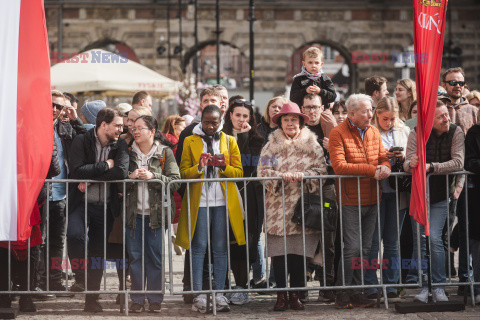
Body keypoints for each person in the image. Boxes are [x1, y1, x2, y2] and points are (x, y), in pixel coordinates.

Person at [258, 102, 328, 312]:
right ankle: (280, 295)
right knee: (279, 255)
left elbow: (322, 172)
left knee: (299, 254)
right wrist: (281, 177)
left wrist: (304, 177)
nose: (290, 123)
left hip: (302, 208)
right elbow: (262, 172)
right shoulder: (270, 146)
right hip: (276, 207)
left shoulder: (313, 145)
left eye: (294, 119)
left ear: (300, 122)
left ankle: (296, 295)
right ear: (280, 123)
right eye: (286, 119)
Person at [176, 105, 245, 313]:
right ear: (201, 120)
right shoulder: (190, 140)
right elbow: (183, 173)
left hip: (222, 202)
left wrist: (223, 166)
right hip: (200, 201)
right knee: (198, 248)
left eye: (214, 122)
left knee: (221, 249)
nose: (210, 126)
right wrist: (199, 167)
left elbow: (239, 172)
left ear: (221, 121)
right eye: (206, 122)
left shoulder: (229, 140)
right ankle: (198, 295)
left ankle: (221, 295)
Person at [329, 94, 391, 309]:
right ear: (352, 113)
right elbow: (340, 166)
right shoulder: (338, 132)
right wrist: (372, 170)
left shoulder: (373, 131)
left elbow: (382, 157)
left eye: (371, 109)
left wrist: (386, 167)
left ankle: (357, 291)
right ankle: (342, 291)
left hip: (373, 198)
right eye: (365, 110)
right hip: (350, 199)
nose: (370, 114)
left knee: (365, 249)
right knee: (352, 248)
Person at [67, 108, 129, 312]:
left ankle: (91, 299)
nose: (122, 129)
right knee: (74, 235)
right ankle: (81, 277)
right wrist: (105, 165)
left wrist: (91, 179)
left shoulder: (120, 144)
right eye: (118, 125)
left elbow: (121, 171)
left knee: (98, 253)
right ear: (104, 125)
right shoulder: (81, 140)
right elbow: (77, 171)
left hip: (105, 207)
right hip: (80, 203)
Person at [403, 100, 464, 303]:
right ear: (429, 121)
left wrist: (432, 167)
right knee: (421, 242)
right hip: (419, 195)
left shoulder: (456, 132)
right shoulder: (416, 133)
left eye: (447, 114)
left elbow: (458, 162)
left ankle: (438, 286)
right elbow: (406, 163)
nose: (446, 118)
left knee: (435, 239)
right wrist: (410, 163)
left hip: (439, 196)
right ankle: (423, 286)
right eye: (441, 116)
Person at [126, 115, 181, 313]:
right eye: (134, 128)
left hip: (156, 215)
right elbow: (120, 177)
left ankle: (156, 298)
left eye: (140, 128)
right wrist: (129, 178)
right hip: (133, 214)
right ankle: (137, 299)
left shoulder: (165, 152)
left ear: (152, 131)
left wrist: (153, 176)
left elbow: (175, 180)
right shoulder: (128, 151)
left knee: (155, 257)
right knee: (135, 257)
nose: (136, 131)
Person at [34, 91, 86, 297]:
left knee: (57, 241)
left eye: (59, 106)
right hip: (40, 193)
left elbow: (86, 142)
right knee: (41, 241)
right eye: (52, 105)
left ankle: (53, 282)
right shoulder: (36, 126)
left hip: (61, 194)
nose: (55, 110)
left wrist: (75, 120)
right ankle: (36, 284)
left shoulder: (66, 127)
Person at [363, 97, 410, 299]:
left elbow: (412, 155)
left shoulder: (404, 131)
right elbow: (364, 157)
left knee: (392, 242)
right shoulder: (369, 131)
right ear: (377, 115)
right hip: (376, 192)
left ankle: (391, 285)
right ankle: (371, 285)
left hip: (397, 192)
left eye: (392, 119)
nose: (388, 122)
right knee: (374, 242)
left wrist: (402, 157)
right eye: (384, 118)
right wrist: (384, 157)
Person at [222, 99, 265, 304]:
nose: (241, 120)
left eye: (245, 116)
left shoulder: (257, 139)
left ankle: (242, 285)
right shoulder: (220, 137)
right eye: (237, 115)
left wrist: (244, 136)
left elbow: (248, 163)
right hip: (223, 195)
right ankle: (223, 285)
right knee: (224, 241)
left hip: (248, 197)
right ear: (230, 115)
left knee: (244, 242)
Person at [441, 67, 476, 293]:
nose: (457, 86)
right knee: (441, 231)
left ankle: (464, 278)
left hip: (467, 179)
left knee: (465, 230)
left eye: (460, 82)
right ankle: (441, 277)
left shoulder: (472, 110)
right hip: (441, 175)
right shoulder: (439, 109)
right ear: (445, 84)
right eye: (452, 82)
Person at [301, 93, 337, 302]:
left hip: (327, 188)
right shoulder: (298, 128)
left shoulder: (330, 127)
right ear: (303, 109)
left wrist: (330, 148)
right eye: (308, 107)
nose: (312, 111)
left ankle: (327, 287)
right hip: (305, 188)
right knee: (304, 238)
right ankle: (301, 288)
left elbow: (342, 158)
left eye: (315, 107)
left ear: (322, 107)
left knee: (328, 239)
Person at [161, 114, 187, 256]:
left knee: (167, 211)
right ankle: (176, 237)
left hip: (163, 180)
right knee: (177, 209)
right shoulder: (177, 141)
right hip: (175, 179)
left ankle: (171, 236)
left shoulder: (162, 140)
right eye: (182, 127)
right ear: (174, 126)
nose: (184, 129)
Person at [464, 122, 480, 303]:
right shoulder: (474, 132)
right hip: (477, 196)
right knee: (477, 243)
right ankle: (478, 287)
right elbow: (470, 161)